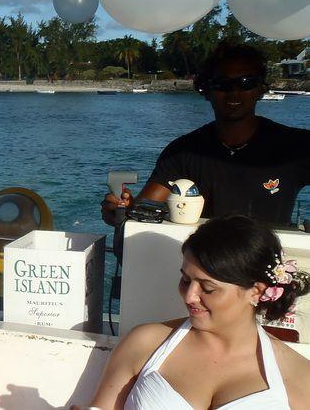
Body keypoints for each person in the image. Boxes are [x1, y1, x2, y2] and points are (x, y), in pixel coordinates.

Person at [86, 216, 310, 409]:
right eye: (185, 280)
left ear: (256, 292)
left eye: (208, 288)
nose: (189, 296)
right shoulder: (144, 343)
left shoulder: (299, 377)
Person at [102, 43, 310, 227]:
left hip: (269, 266)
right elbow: (144, 208)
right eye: (222, 84)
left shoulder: (295, 146)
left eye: (246, 82)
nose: (234, 92)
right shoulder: (182, 152)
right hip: (200, 266)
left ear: (260, 89)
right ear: (206, 91)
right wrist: (122, 210)